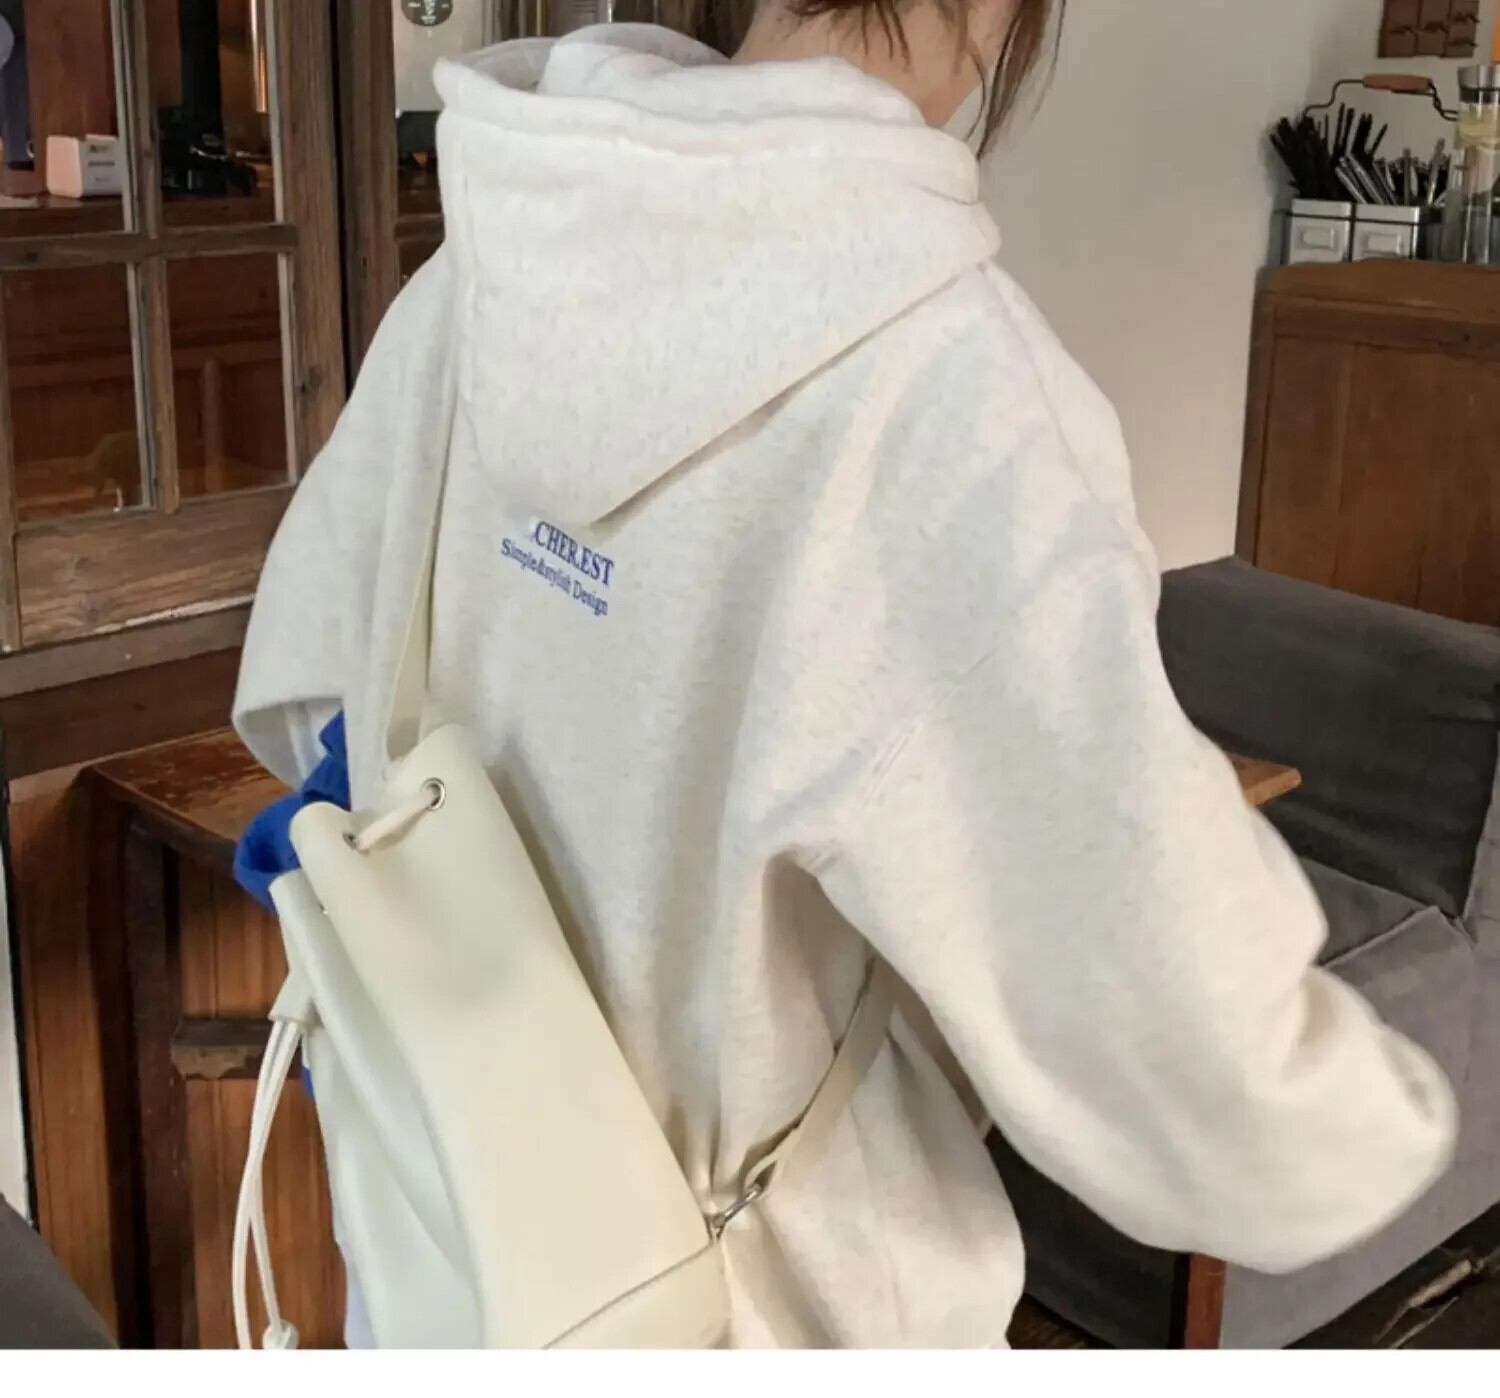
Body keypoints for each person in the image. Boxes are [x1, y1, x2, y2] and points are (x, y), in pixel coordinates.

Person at [234, 1, 1457, 1349]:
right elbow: (1205, 1083)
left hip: (450, 1260)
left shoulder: (490, 253)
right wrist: (1396, 1118)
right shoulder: (951, 406)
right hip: (759, 1313)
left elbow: (309, 695)